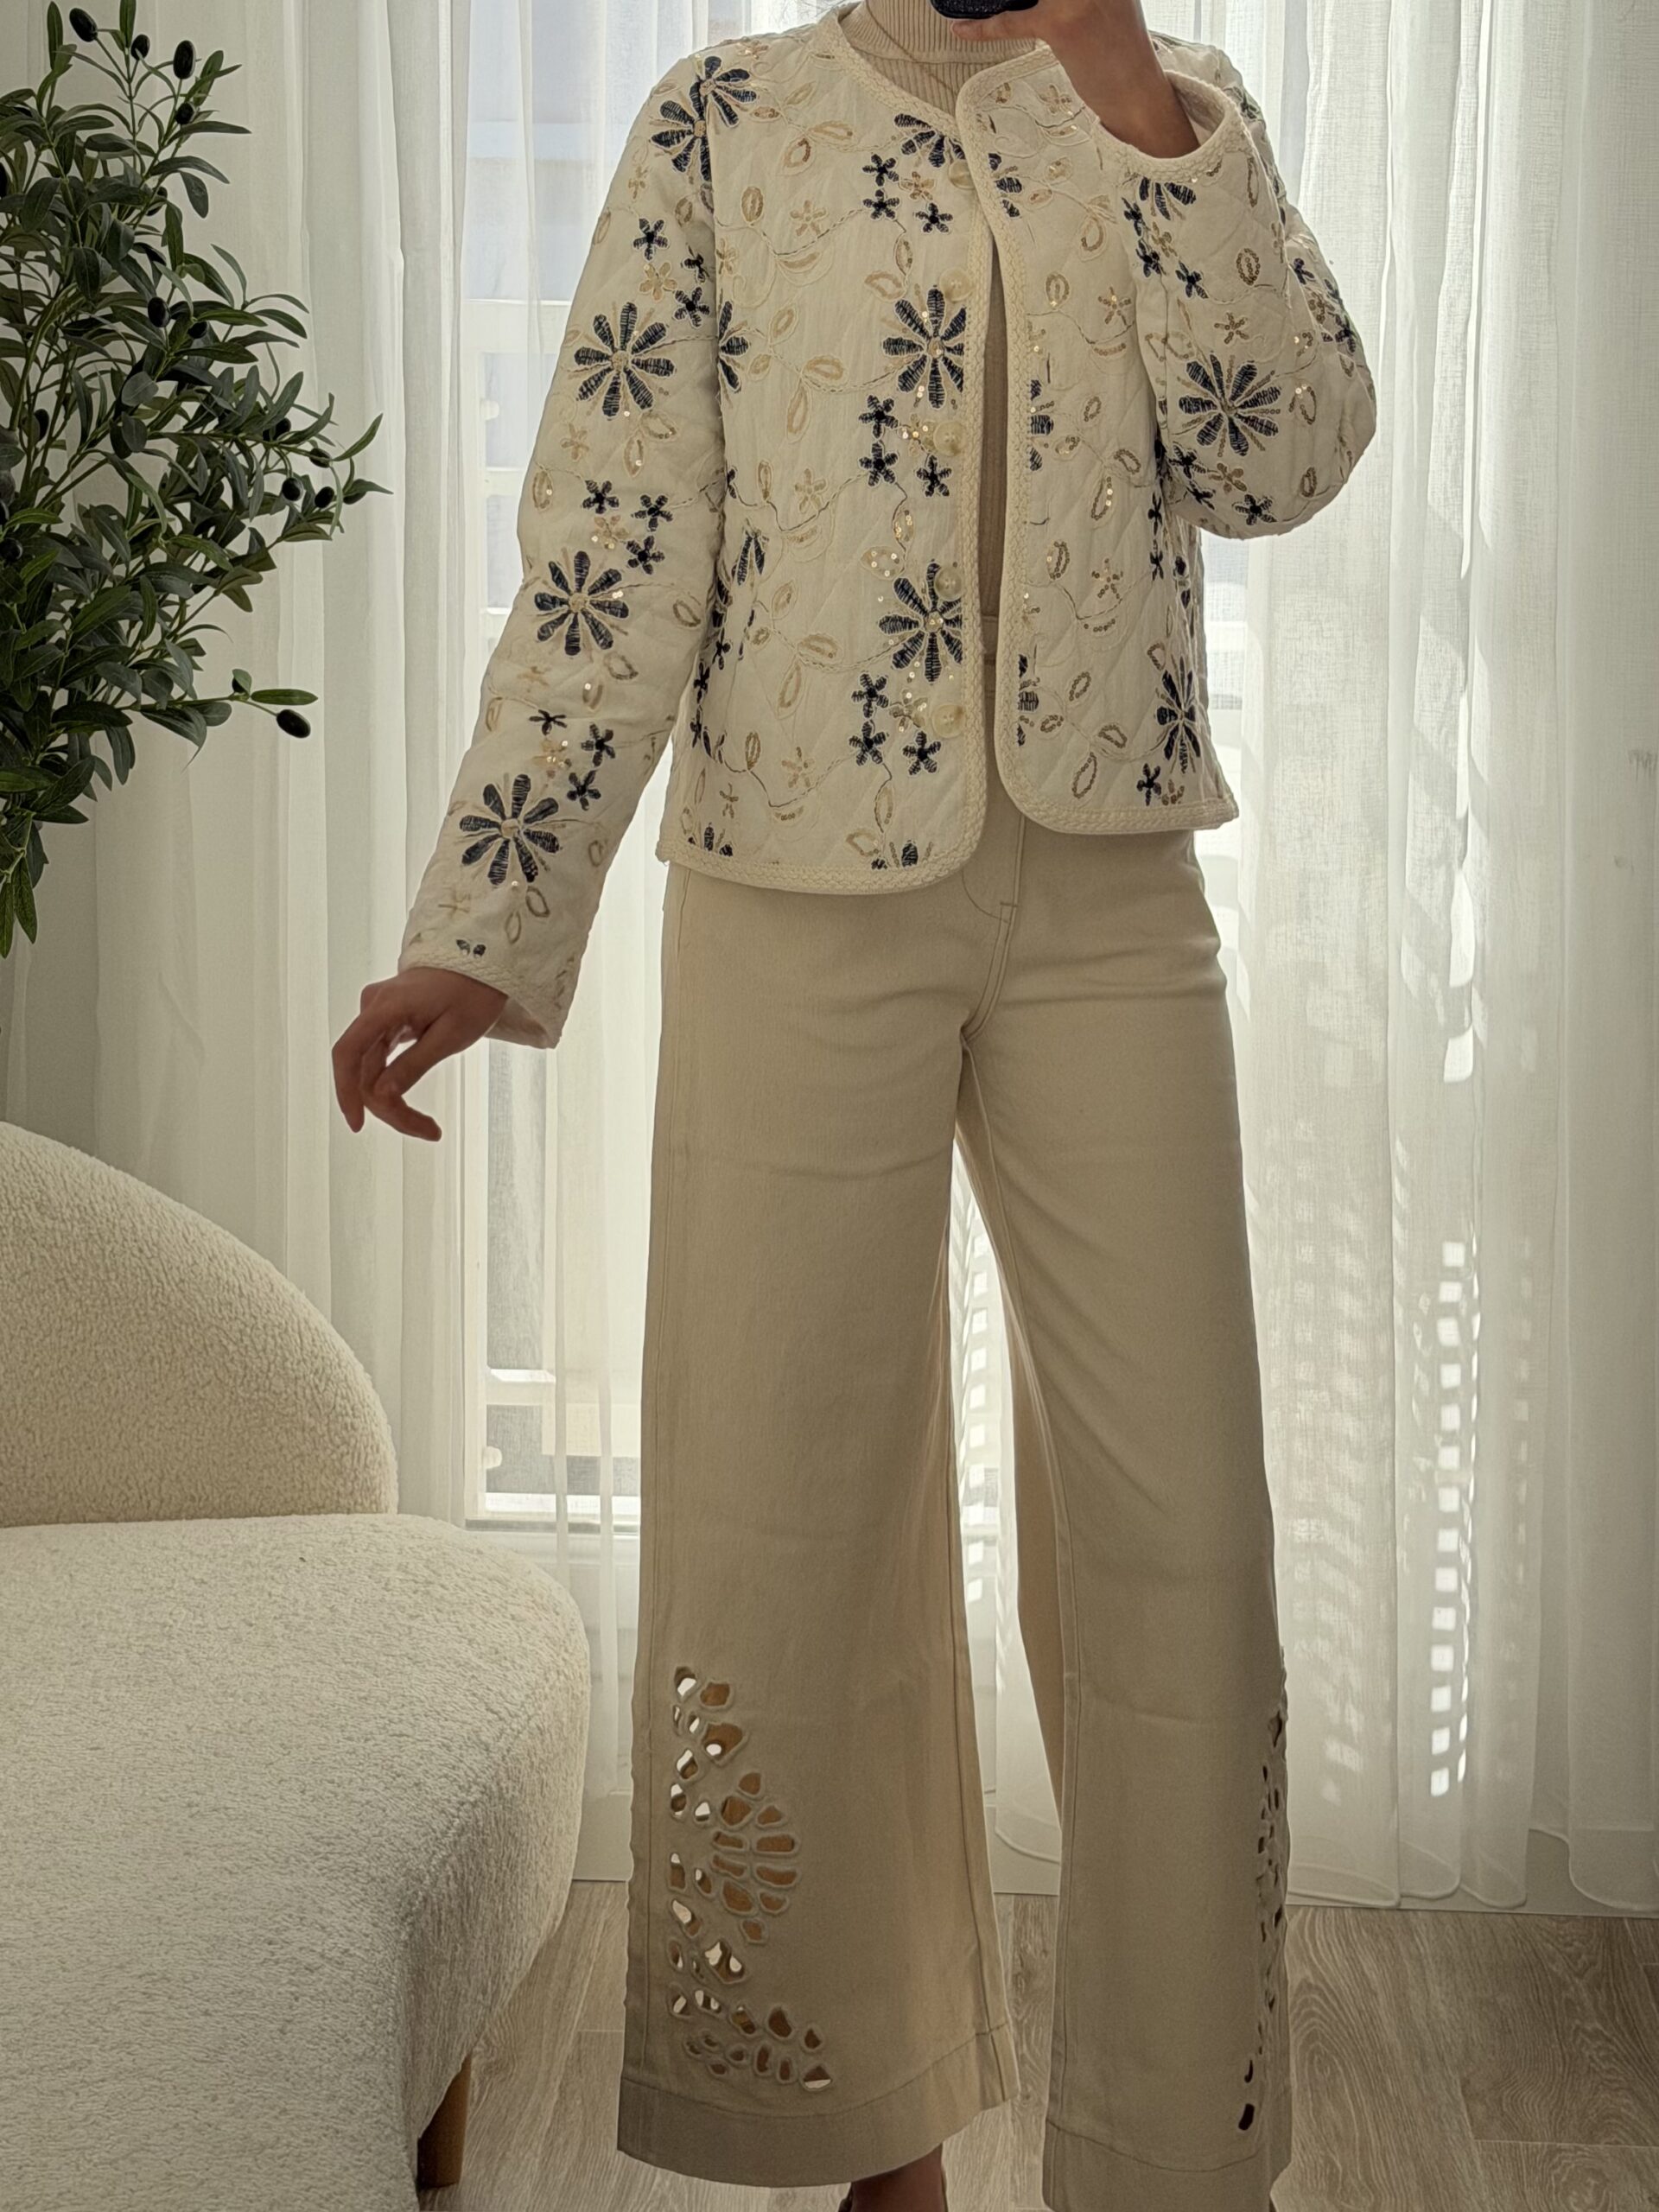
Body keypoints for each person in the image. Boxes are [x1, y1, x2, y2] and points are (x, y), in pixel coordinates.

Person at [334, 3, 1375, 2208]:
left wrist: (1137, 106)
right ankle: (864, 2132)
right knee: (793, 1510)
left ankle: (1175, 2157)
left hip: (1111, 890)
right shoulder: (727, 121)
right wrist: (487, 918)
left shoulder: (1179, 103)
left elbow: (1285, 454)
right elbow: (618, 544)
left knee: (1187, 1530)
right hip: (798, 889)